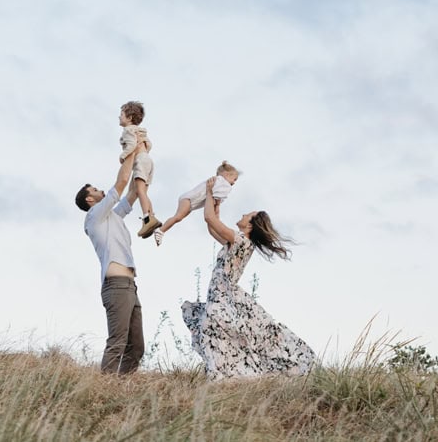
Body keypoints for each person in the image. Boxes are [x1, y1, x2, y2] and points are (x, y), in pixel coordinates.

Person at [181, 178, 316, 379]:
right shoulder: (237, 241)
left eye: (248, 215)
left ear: (251, 226)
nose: (244, 214)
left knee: (214, 331)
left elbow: (210, 220)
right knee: (215, 332)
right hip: (220, 295)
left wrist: (209, 193)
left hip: (223, 296)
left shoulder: (241, 240)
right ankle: (225, 374)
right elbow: (211, 225)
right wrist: (215, 205)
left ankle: (226, 375)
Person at [75, 141, 147, 374]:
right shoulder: (95, 216)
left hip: (129, 286)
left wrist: (142, 158)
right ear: (90, 200)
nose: (99, 190)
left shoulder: (112, 217)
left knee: (136, 348)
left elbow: (134, 191)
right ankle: (102, 388)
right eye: (94, 190)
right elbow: (121, 182)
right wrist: (131, 150)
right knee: (117, 342)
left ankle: (120, 388)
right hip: (116, 286)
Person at [153, 160, 240, 246]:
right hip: (189, 199)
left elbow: (216, 198)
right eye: (234, 179)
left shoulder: (217, 182)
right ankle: (160, 230)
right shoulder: (221, 181)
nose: (234, 182)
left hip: (191, 202)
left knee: (178, 218)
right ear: (226, 174)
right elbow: (220, 195)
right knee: (177, 217)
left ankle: (161, 230)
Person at [118, 100, 160, 239]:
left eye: (121, 114)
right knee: (144, 192)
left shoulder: (128, 130)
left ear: (129, 118)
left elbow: (130, 145)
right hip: (148, 160)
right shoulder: (141, 131)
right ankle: (150, 218)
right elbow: (149, 144)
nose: (119, 117)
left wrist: (123, 156)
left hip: (140, 161)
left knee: (140, 191)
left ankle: (147, 217)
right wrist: (144, 150)